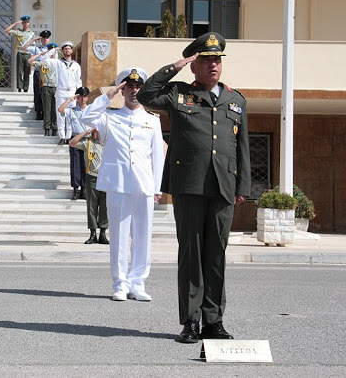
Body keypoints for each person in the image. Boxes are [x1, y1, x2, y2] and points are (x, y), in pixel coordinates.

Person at [136, 32, 250, 343]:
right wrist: (175, 65)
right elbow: (146, 95)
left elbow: (242, 146)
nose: (213, 65)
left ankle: (214, 321)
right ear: (194, 65)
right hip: (189, 185)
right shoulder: (178, 94)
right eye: (205, 60)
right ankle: (191, 321)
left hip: (223, 187)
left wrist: (243, 186)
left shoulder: (235, 100)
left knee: (216, 255)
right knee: (191, 254)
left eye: (217, 60)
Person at [80, 68, 164, 302]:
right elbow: (86, 118)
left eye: (138, 87)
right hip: (118, 184)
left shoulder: (152, 120)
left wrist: (157, 187)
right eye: (129, 87)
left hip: (144, 185)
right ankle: (120, 283)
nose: (134, 91)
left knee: (142, 236)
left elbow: (157, 155)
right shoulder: (110, 116)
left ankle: (138, 282)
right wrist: (108, 95)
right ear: (122, 90)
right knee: (118, 236)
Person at [70, 128, 109, 244]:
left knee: (104, 206)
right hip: (92, 177)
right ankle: (92, 233)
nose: (98, 133)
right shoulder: (88, 142)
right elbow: (72, 143)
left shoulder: (108, 143)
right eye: (96, 131)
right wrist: (85, 133)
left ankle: (103, 233)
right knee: (92, 206)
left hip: (106, 178)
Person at [58, 87, 90, 200]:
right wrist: (70, 99)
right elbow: (60, 110)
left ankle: (84, 189)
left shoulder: (90, 109)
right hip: (75, 138)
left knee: (86, 164)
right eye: (80, 96)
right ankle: (76, 189)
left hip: (87, 139)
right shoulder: (72, 110)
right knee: (76, 164)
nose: (83, 99)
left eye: (85, 96)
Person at [50, 41, 82, 144]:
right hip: (61, 91)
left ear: (71, 50)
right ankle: (61, 136)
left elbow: (78, 80)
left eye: (69, 48)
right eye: (65, 49)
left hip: (72, 92)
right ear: (62, 51)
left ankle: (69, 136)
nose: (67, 50)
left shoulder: (76, 65)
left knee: (70, 115)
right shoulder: (58, 63)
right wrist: (53, 50)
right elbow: (46, 59)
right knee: (60, 114)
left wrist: (79, 92)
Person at [21, 30, 54, 119]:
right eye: (43, 38)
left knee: (47, 93)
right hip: (39, 72)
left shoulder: (52, 49)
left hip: (49, 74)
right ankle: (39, 112)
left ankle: (46, 112)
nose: (45, 40)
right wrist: (32, 40)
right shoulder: (36, 49)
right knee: (38, 93)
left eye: (47, 38)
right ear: (41, 39)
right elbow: (23, 48)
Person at [28, 43, 59, 136]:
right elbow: (30, 61)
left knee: (54, 109)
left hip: (57, 87)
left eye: (54, 52)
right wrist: (41, 54)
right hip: (46, 87)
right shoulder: (43, 63)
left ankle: (54, 128)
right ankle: (47, 128)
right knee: (47, 108)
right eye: (50, 52)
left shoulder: (60, 63)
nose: (53, 54)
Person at [4, 16, 35, 92]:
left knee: (27, 71)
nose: (26, 24)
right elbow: (7, 30)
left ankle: (26, 88)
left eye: (27, 22)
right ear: (22, 23)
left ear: (29, 23)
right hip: (20, 53)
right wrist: (15, 23)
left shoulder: (32, 34)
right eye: (24, 22)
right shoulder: (18, 32)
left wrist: (33, 57)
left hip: (28, 54)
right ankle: (19, 87)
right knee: (19, 71)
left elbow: (33, 46)